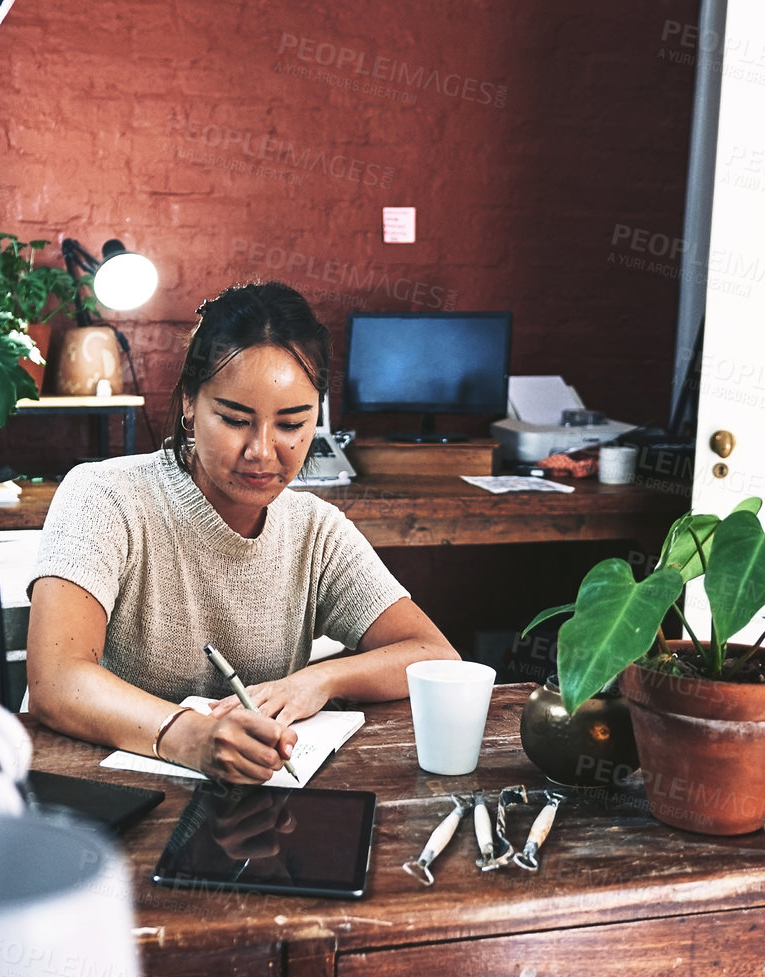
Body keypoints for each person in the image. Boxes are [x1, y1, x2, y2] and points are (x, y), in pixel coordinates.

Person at [26, 281, 457, 784]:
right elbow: (55, 680)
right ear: (189, 402)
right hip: (104, 791)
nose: (262, 451)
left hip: (251, 806)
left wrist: (319, 679)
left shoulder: (314, 529)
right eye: (235, 420)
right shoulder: (105, 497)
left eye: (293, 424)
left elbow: (432, 653)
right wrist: (189, 736)